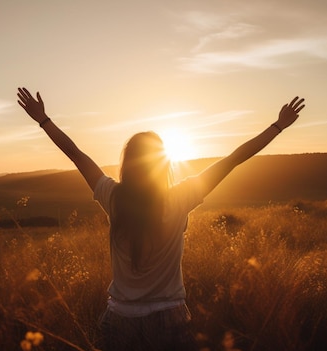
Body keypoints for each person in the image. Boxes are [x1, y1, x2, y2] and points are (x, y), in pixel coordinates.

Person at [17, 87, 305, 351]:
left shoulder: (112, 197)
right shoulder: (181, 197)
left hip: (120, 318)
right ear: (164, 163)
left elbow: (76, 155)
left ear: (128, 164)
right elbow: (232, 159)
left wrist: (43, 120)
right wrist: (277, 126)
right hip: (169, 317)